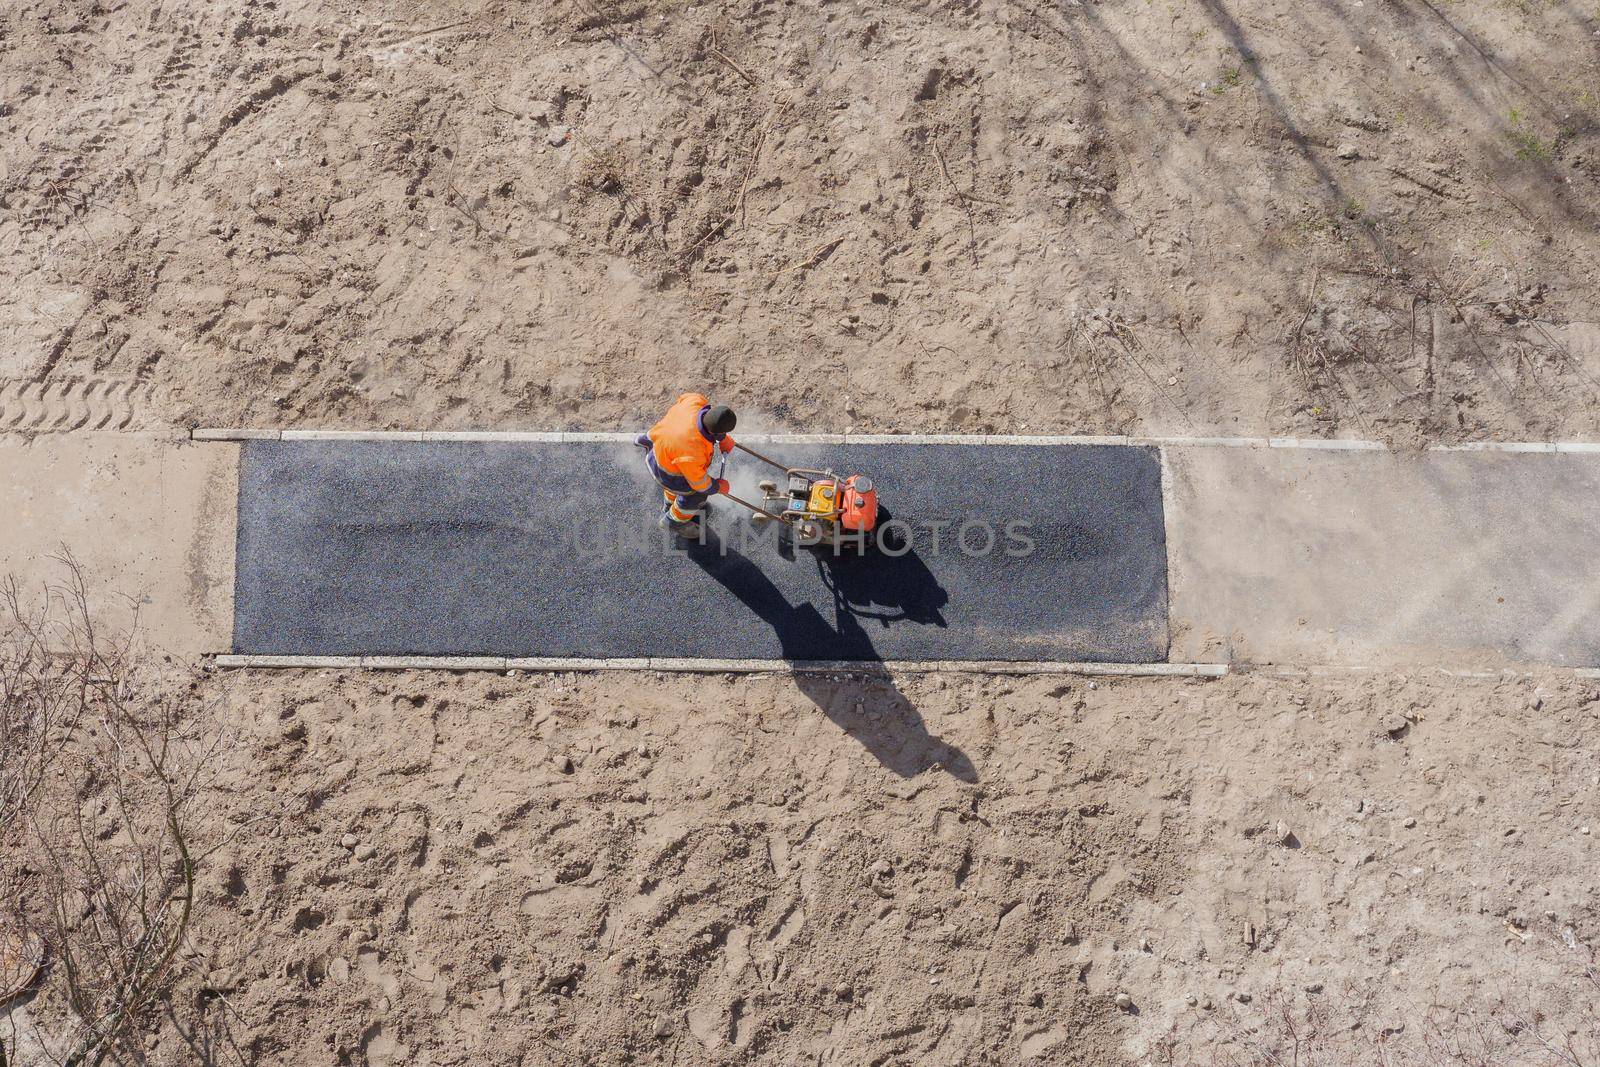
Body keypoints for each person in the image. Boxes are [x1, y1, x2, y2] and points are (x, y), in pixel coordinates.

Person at [637, 393, 737, 537]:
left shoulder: (694, 402)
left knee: (683, 475)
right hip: (665, 471)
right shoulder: (693, 451)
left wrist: (722, 438)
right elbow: (700, 484)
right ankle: (674, 521)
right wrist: (718, 486)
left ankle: (670, 504)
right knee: (697, 495)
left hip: (662, 451)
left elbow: (685, 399)